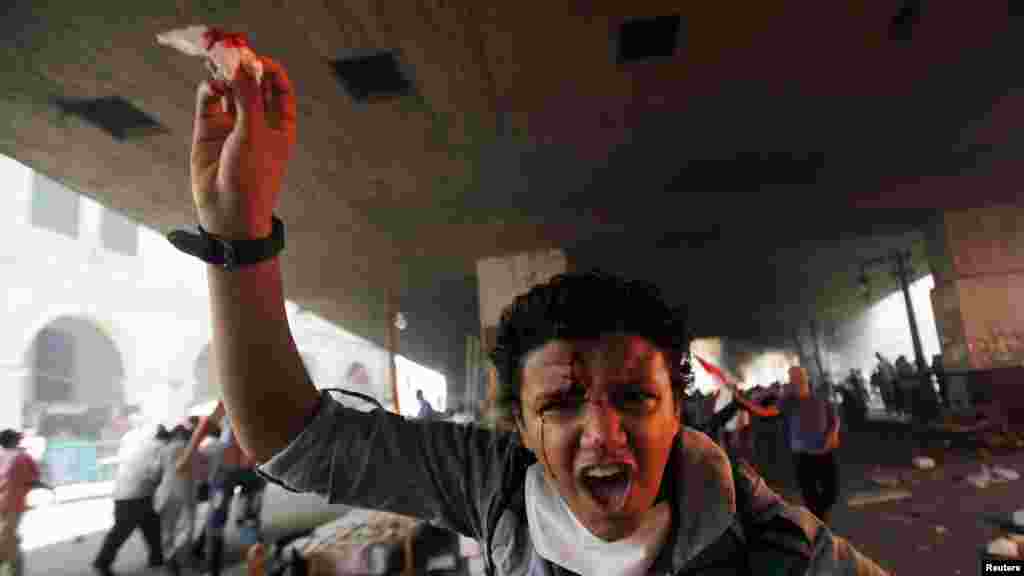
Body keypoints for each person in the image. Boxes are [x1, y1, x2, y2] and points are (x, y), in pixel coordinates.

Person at [178, 56, 887, 574]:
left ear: (680, 410)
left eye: (636, 398)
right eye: (562, 403)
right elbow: (288, 437)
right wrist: (239, 234)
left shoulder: (773, 545)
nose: (603, 435)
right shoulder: (491, 486)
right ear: (520, 426)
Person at [731, 367, 842, 525]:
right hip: (802, 454)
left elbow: (834, 418)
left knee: (831, 492)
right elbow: (766, 412)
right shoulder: (788, 401)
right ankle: (818, 522)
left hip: (825, 450)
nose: (796, 380)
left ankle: (820, 516)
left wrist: (834, 433)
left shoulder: (820, 397)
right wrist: (743, 402)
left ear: (805, 378)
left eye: (798, 377)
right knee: (809, 493)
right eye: (793, 377)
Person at [178, 402, 266, 576]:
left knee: (241, 522)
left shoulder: (250, 389)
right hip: (243, 468)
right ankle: (223, 570)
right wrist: (187, 456)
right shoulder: (243, 388)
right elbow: (208, 424)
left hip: (245, 469)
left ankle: (249, 569)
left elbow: (207, 424)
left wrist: (187, 456)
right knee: (234, 521)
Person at [93, 424, 165, 576]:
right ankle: (102, 562)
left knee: (151, 525)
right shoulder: (159, 447)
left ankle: (157, 558)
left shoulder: (135, 444)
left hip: (122, 493)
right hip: (138, 494)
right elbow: (154, 473)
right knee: (122, 531)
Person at [155, 425, 196, 576]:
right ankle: (182, 561)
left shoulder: (164, 449)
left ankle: (170, 562)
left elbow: (156, 472)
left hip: (166, 494)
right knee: (185, 529)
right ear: (183, 435)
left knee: (167, 530)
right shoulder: (191, 448)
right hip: (185, 493)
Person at [0, 429, 42, 576]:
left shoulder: (9, 457)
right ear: (14, 441)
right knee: (10, 539)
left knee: (8, 538)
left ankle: (14, 569)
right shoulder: (23, 457)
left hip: (9, 504)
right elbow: (34, 478)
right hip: (13, 504)